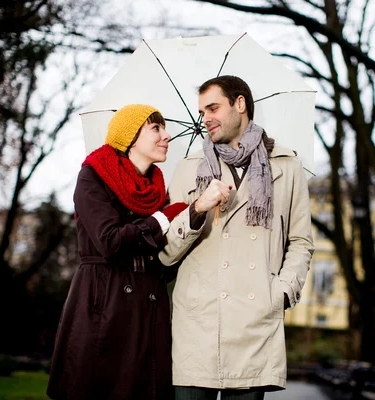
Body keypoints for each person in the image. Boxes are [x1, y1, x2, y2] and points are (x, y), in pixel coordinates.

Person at [47, 104, 225, 399]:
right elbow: (110, 241)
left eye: (164, 128)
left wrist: (192, 216)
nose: (166, 136)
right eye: (156, 128)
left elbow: (164, 261)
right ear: (129, 137)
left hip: (149, 307)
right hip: (103, 304)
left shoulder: (156, 189)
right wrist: (165, 218)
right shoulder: (93, 177)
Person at [159, 76, 315, 399]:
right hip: (197, 327)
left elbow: (301, 241)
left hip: (254, 325)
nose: (206, 119)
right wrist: (198, 208)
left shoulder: (286, 165)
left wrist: (281, 293)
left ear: (240, 104)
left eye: (213, 108)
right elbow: (166, 253)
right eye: (202, 112)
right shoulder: (189, 169)